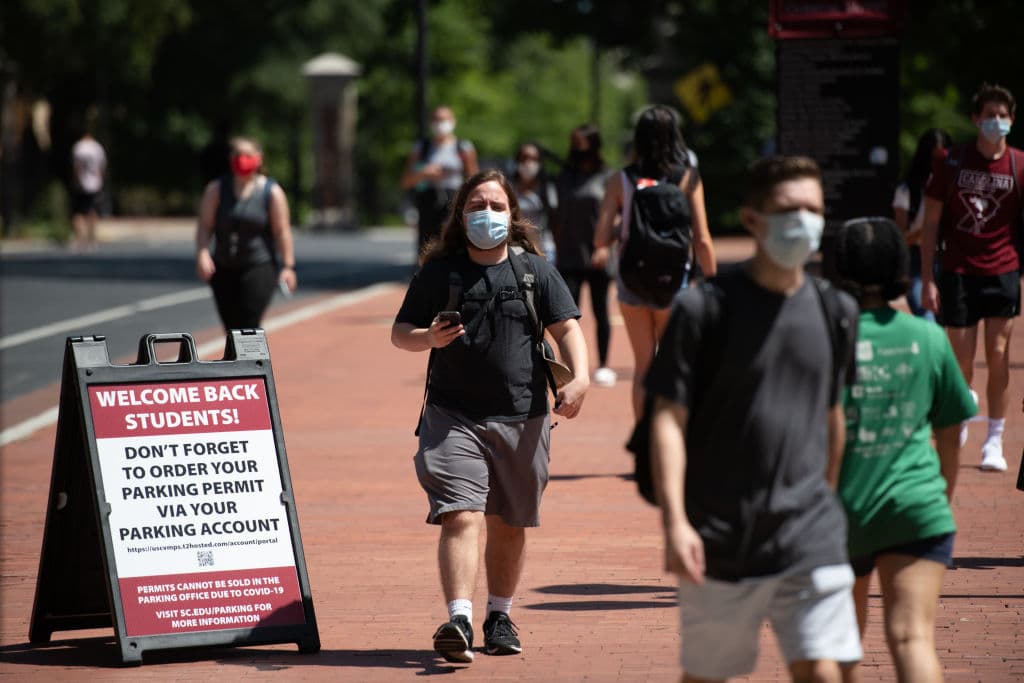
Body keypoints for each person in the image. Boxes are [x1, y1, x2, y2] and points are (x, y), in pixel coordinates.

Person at [647, 156, 862, 682]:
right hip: (721, 536)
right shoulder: (705, 309)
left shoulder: (836, 311)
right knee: (708, 676)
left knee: (825, 672)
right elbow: (668, 419)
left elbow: (832, 414)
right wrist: (675, 523)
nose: (804, 221)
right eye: (789, 209)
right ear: (752, 219)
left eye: (814, 210)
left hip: (810, 530)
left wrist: (830, 502)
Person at [391, 169, 589, 664]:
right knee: (461, 514)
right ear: (461, 214)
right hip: (452, 415)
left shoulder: (535, 271)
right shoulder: (439, 272)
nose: (487, 214)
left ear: (512, 214)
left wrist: (581, 378)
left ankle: (499, 615)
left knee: (509, 522)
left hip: (524, 417)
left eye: (497, 206)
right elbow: (400, 332)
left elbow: (567, 329)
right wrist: (427, 338)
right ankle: (458, 618)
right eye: (477, 205)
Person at [833, 216, 976, 683]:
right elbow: (951, 432)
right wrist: (942, 498)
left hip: (838, 512)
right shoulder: (929, 338)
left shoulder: (820, 342)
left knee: (840, 647)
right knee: (913, 639)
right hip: (916, 507)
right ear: (899, 267)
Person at [920, 83, 1024, 472]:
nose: (996, 121)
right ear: (976, 119)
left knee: (998, 355)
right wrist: (927, 278)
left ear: (1012, 120)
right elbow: (931, 223)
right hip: (958, 271)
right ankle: (963, 411)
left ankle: (994, 439)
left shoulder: (1019, 164)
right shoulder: (951, 162)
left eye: (1003, 115)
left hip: (1003, 270)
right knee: (961, 361)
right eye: (989, 115)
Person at [592, 105, 717, 418]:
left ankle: (644, 441)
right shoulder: (688, 178)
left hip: (632, 279)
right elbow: (702, 238)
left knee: (644, 367)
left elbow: (600, 238)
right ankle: (671, 437)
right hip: (675, 280)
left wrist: (626, 228)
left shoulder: (620, 179)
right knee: (674, 367)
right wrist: (713, 283)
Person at [195, 136, 297, 331]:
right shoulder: (216, 189)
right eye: (237, 155)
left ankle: (251, 352)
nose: (242, 159)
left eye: (247, 155)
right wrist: (202, 252)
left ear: (259, 159)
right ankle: (235, 352)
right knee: (231, 327)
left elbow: (282, 231)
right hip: (224, 267)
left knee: (249, 322)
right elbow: (205, 226)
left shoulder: (271, 192)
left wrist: (288, 266)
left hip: (258, 266)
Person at [552, 125, 617, 387]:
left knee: (601, 310)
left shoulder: (608, 177)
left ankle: (603, 365)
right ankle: (568, 367)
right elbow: (556, 215)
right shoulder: (565, 177)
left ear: (594, 144)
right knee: (566, 315)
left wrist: (605, 245)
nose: (577, 148)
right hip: (569, 255)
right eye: (573, 143)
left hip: (598, 255)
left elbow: (617, 216)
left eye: (581, 143)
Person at [401, 106, 480, 255]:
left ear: (453, 121)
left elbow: (474, 180)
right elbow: (406, 181)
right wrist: (423, 173)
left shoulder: (463, 147)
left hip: (454, 200)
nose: (440, 124)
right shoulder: (421, 147)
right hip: (428, 201)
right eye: (436, 120)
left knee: (454, 244)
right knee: (427, 246)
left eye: (444, 119)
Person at [892, 128, 952, 321]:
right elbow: (900, 239)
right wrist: (928, 230)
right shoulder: (907, 190)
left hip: (949, 259)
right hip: (917, 260)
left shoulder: (956, 187)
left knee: (947, 319)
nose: (937, 166)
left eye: (943, 160)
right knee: (927, 314)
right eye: (933, 160)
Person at [511, 142, 557, 262]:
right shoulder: (509, 188)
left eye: (533, 159)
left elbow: (555, 220)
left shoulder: (547, 188)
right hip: (517, 249)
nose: (528, 163)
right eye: (524, 158)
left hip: (544, 248)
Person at [70, 129, 107, 252]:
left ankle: (80, 239)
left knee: (79, 212)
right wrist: (100, 181)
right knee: (93, 211)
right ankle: (91, 239)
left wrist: (76, 181)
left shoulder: (78, 147)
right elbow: (102, 167)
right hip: (95, 184)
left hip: (81, 184)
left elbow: (76, 167)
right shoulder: (97, 148)